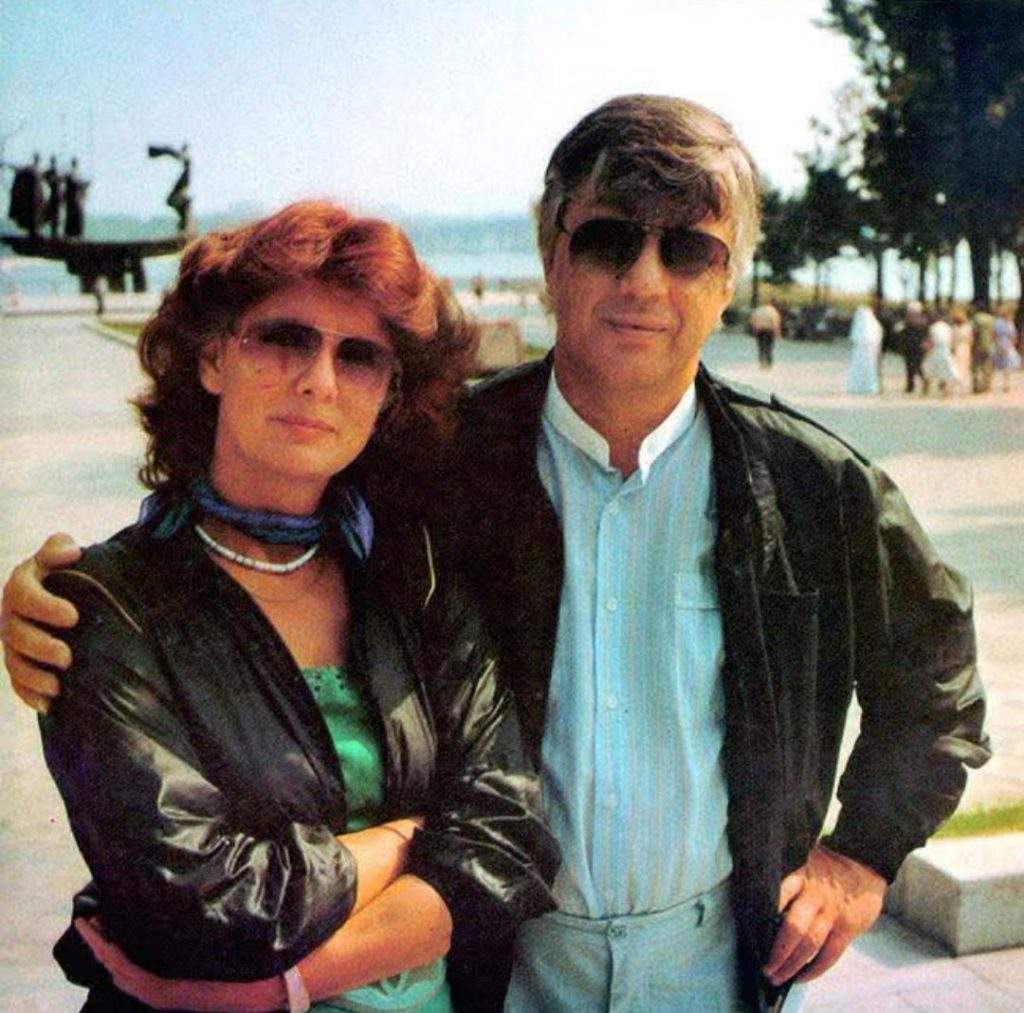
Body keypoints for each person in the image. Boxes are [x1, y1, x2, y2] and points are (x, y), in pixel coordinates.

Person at [4, 96, 990, 1012]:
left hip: (714, 963)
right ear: (550, 252)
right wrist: (50, 595)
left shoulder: (812, 485)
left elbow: (937, 673)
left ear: (728, 282)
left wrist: (861, 855)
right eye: (608, 239)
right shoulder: (436, 461)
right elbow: (256, 505)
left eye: (689, 248)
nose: (645, 280)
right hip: (500, 964)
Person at [2, 200, 557, 1011]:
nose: (318, 380)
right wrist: (409, 835)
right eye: (284, 337)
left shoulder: (417, 577)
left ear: (387, 394)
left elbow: (504, 840)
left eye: (359, 356)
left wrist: (281, 986)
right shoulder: (106, 606)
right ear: (212, 357)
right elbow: (203, 907)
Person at [845, 303, 883, 394]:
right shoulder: (875, 325)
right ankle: (869, 387)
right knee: (869, 370)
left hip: (860, 354)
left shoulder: (861, 326)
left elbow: (854, 339)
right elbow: (878, 337)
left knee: (861, 370)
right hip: (870, 353)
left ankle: (859, 387)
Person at [922, 309, 960, 396]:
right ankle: (944, 390)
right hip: (946, 351)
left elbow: (931, 341)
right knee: (944, 371)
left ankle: (925, 390)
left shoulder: (933, 328)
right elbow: (952, 339)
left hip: (936, 351)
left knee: (927, 369)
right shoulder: (947, 327)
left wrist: (925, 348)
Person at [899, 300, 928, 393]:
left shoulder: (918, 321)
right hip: (910, 347)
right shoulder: (920, 321)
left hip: (916, 347)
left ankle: (923, 382)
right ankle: (911, 385)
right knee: (910, 367)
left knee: (916, 367)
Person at [992, 305, 1021, 392]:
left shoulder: (998, 323)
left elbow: (994, 335)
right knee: (1005, 365)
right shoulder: (1008, 324)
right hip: (1006, 344)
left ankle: (1005, 384)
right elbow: (1013, 336)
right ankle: (1005, 384)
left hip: (1002, 344)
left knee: (1003, 365)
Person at [748, 299, 781, 368]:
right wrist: (777, 332)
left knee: (761, 347)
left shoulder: (758, 310)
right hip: (769, 331)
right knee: (769, 347)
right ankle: (768, 362)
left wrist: (754, 328)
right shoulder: (772, 311)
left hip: (760, 330)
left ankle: (761, 362)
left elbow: (752, 320)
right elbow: (775, 323)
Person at [63, 158, 89, 239]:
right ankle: (71, 235)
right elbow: (74, 183)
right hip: (73, 198)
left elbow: (77, 183)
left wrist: (84, 184)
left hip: (75, 198)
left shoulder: (76, 173)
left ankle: (75, 234)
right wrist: (84, 184)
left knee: (76, 216)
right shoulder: (71, 173)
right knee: (74, 216)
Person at [950, 306, 973, 391]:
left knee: (956, 367)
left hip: (957, 348)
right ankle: (964, 385)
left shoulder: (954, 328)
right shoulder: (968, 328)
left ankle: (957, 384)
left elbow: (952, 340)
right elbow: (971, 340)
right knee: (965, 367)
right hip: (966, 348)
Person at [43, 155, 63, 239]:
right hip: (56, 195)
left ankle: (55, 234)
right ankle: (54, 234)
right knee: (54, 214)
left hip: (56, 195)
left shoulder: (53, 172)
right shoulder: (56, 172)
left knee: (55, 215)